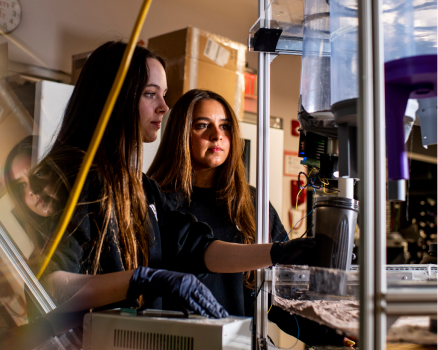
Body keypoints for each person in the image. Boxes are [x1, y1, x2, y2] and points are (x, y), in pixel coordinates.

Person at [0, 41, 313, 349]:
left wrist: (277, 253)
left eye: (163, 95)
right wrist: (141, 279)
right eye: (151, 94)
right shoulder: (69, 177)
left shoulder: (139, 186)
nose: (164, 106)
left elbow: (196, 247)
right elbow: (48, 285)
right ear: (113, 97)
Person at [147, 88, 354, 347]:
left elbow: (280, 294)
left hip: (242, 343)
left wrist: (334, 333)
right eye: (202, 125)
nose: (217, 136)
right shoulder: (159, 203)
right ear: (180, 134)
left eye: (225, 126)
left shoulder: (251, 203)